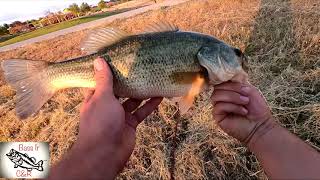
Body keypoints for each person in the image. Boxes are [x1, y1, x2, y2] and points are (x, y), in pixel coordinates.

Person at [48, 57, 320, 179]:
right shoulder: (199, 70)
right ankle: (48, 76)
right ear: (208, 57)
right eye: (235, 55)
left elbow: (184, 88)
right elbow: (185, 86)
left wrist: (261, 130)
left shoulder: (200, 74)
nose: (240, 60)